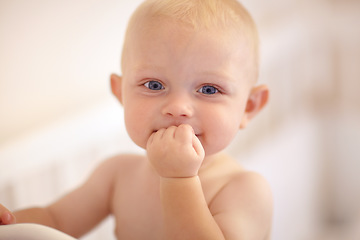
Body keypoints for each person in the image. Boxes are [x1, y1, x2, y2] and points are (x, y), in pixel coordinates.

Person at [0, 0, 272, 239]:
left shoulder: (245, 190)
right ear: (121, 93)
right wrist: (10, 224)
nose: (177, 108)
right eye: (154, 85)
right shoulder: (116, 175)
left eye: (209, 89)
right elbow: (55, 221)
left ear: (248, 107)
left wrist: (178, 180)